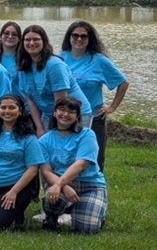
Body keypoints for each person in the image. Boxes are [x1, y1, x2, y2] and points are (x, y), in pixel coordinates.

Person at [60, 21, 128, 171]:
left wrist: (112, 107)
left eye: (84, 36)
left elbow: (122, 83)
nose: (79, 39)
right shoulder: (60, 58)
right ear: (69, 37)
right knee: (65, 158)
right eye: (75, 35)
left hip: (93, 119)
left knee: (93, 161)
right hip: (65, 119)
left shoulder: (99, 60)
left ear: (90, 39)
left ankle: (95, 191)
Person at [0, 94, 44, 230]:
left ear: (20, 110)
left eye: (12, 107)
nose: (7, 111)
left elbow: (32, 169)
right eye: (3, 107)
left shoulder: (28, 137)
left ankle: (18, 215)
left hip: (16, 187)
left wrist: (13, 192)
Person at [39, 97, 108, 233]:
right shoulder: (44, 140)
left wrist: (59, 184)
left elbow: (81, 164)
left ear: (77, 116)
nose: (65, 114)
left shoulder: (87, 134)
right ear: (54, 112)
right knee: (53, 197)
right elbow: (46, 172)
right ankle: (51, 216)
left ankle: (95, 212)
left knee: (87, 229)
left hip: (89, 185)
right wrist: (62, 186)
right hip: (60, 184)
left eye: (71, 111)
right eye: (62, 110)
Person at [16, 25, 92, 136]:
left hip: (74, 114)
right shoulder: (23, 67)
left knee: (67, 148)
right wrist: (39, 128)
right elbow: (30, 101)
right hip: (49, 114)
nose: (31, 43)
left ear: (44, 42)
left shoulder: (54, 65)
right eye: (27, 40)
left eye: (36, 39)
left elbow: (61, 101)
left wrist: (57, 130)